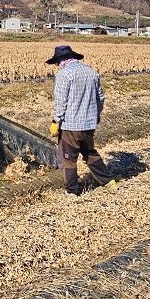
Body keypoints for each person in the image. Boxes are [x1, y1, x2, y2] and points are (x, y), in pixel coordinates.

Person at [46, 44, 115, 194]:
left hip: (71, 126)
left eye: (57, 63)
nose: (57, 66)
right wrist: (95, 115)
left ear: (61, 60)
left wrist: (55, 121)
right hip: (89, 124)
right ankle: (108, 181)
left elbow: (61, 102)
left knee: (68, 159)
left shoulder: (64, 75)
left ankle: (72, 191)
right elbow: (100, 98)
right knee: (89, 152)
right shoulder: (92, 72)